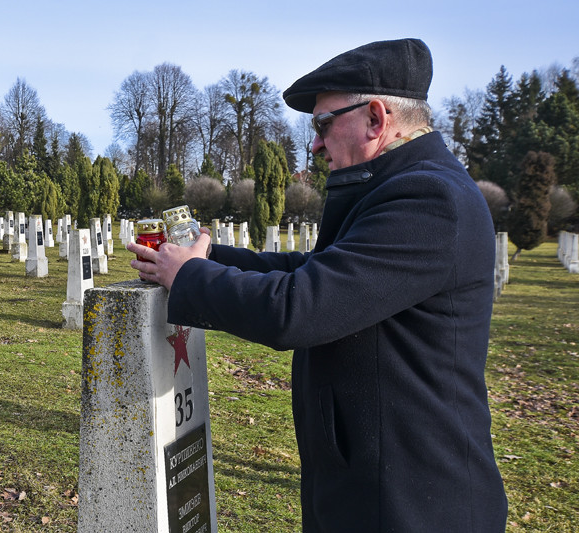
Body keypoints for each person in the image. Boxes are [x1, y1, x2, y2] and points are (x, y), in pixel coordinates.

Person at [127, 38, 507, 532]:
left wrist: (191, 277)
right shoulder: (397, 186)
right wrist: (209, 255)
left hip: (414, 498)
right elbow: (313, 269)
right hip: (377, 481)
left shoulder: (428, 198)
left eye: (323, 124)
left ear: (375, 118)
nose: (315, 143)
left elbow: (301, 308)